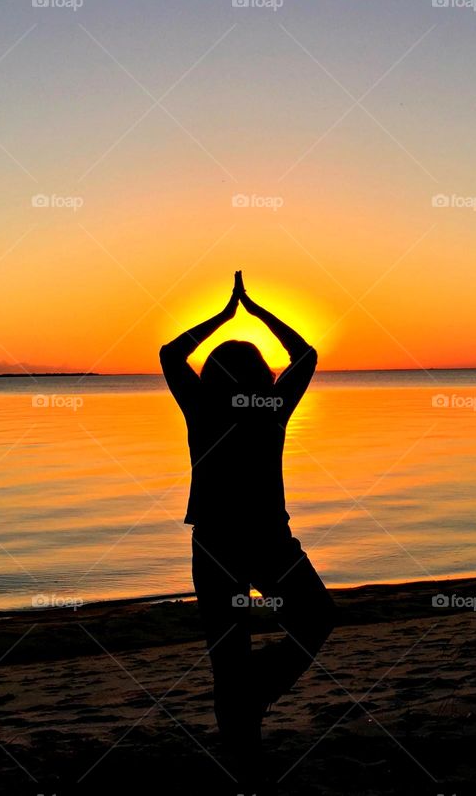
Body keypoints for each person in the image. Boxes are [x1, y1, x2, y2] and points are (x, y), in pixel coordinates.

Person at [159, 271, 337, 774]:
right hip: (261, 541)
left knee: (230, 651)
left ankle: (247, 722)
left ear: (212, 372)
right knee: (311, 619)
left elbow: (171, 355)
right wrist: (254, 310)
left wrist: (224, 315)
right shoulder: (272, 408)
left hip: (224, 542)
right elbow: (306, 354)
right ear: (262, 374)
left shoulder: (204, 407)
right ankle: (247, 734)